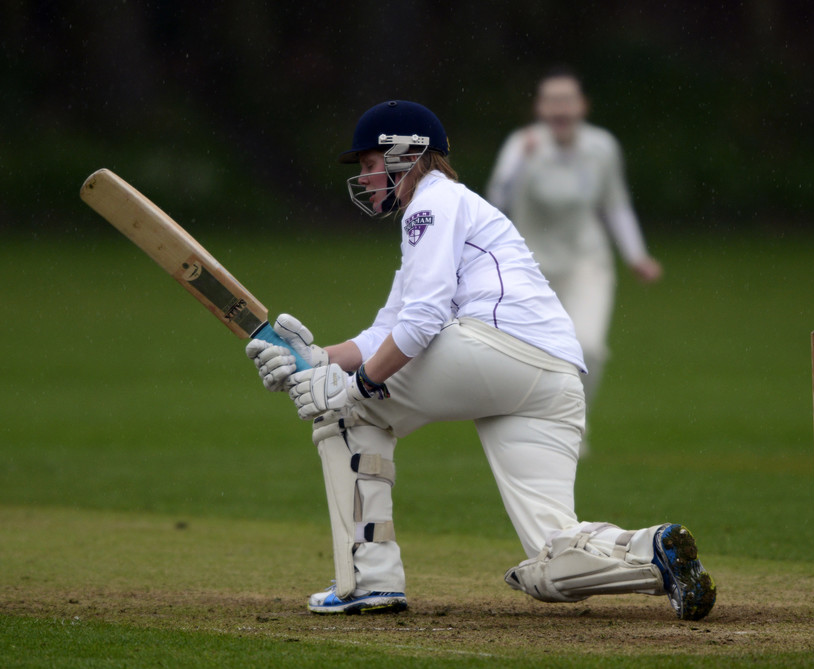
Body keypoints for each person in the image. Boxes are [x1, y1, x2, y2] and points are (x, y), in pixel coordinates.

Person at [244, 100, 715, 620]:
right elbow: (390, 325)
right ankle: (651, 550)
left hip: (494, 349)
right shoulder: (445, 210)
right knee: (552, 552)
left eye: (368, 162)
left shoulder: (429, 205)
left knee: (343, 414)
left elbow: (420, 324)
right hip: (553, 377)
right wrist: (317, 357)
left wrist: (354, 388)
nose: (364, 176)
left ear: (405, 153)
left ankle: (368, 580)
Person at [487, 68, 663, 442]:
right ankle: (532, 426)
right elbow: (496, 200)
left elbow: (615, 205)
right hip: (531, 266)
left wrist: (637, 256)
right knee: (529, 354)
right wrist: (521, 163)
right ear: (540, 108)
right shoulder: (522, 145)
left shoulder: (602, 147)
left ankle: (571, 427)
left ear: (582, 106)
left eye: (567, 99)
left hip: (587, 260)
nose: (560, 108)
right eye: (551, 100)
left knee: (588, 348)